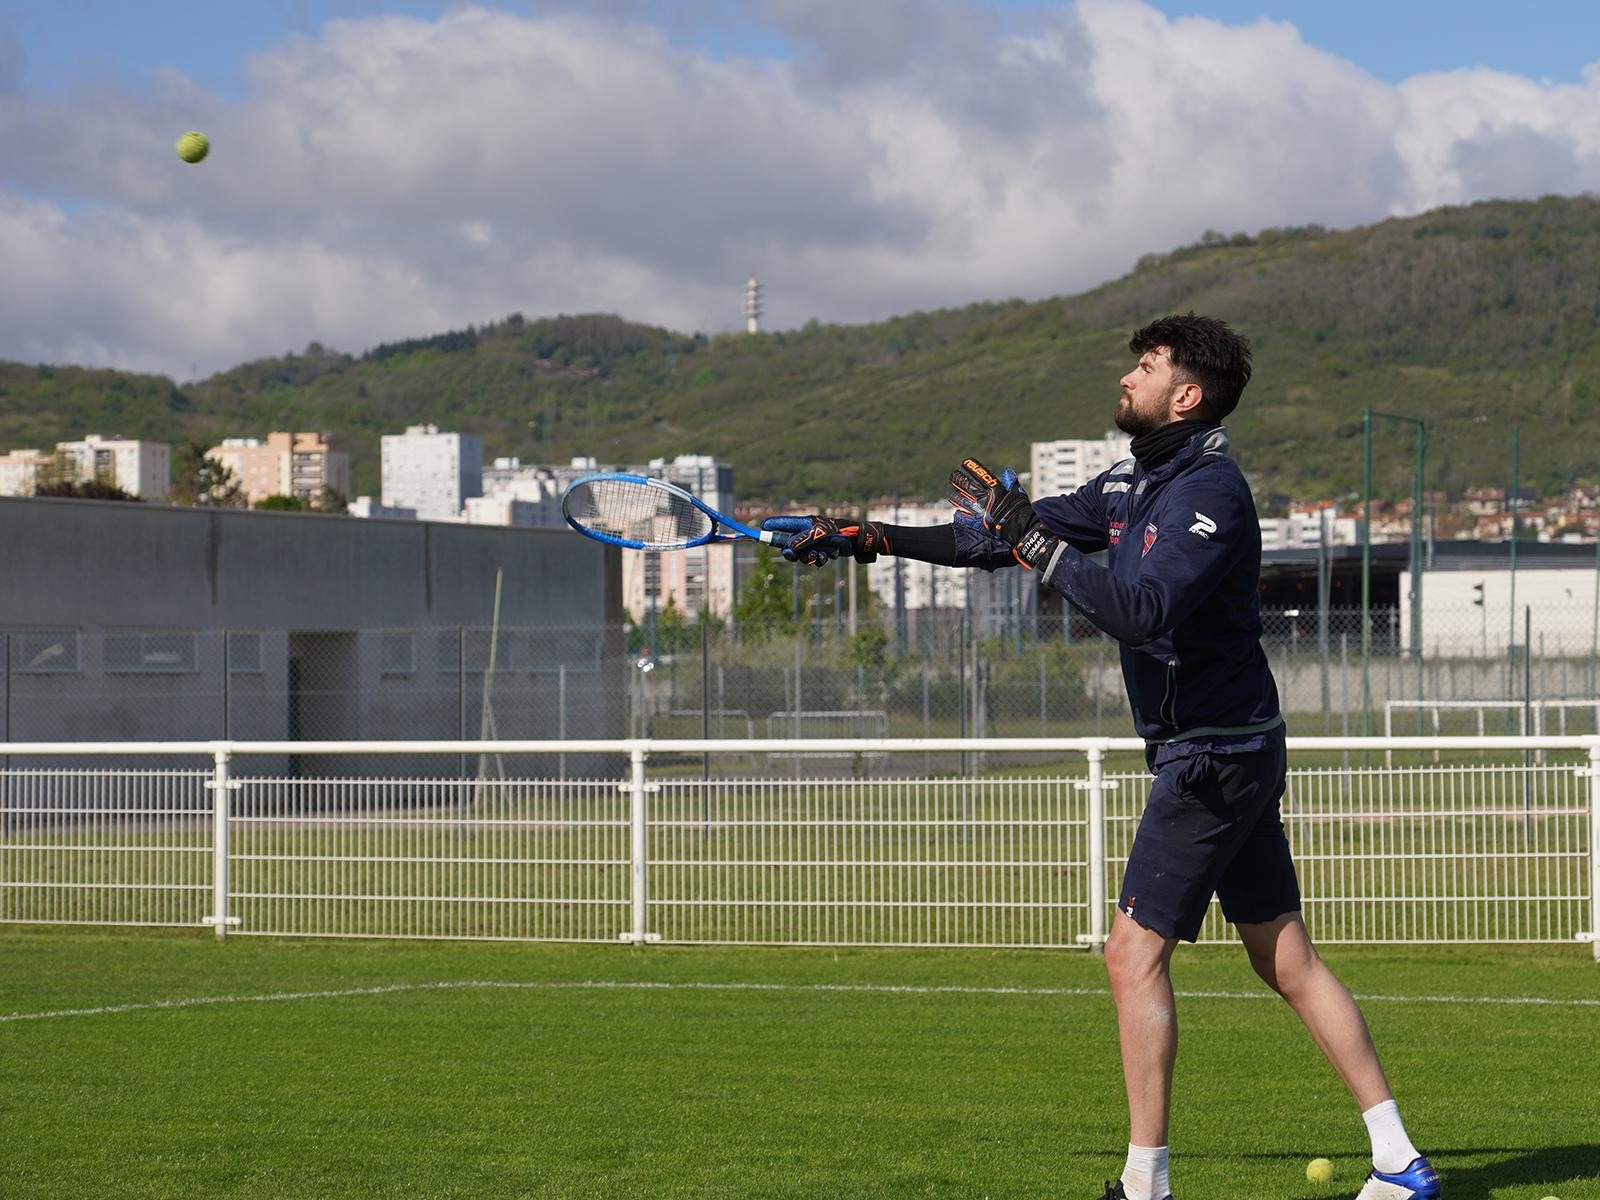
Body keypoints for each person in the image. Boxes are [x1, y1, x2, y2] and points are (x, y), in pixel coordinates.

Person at [763, 313, 1439, 1200]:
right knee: (1284, 958)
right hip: (1227, 747)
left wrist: (1034, 540)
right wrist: (867, 537)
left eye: (1147, 367)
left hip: (1212, 753)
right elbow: (996, 540)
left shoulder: (1211, 493)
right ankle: (1399, 1161)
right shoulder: (1131, 480)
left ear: (1186, 396)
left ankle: (1144, 1183)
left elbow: (1140, 610)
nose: (1128, 377)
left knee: (1131, 954)